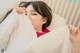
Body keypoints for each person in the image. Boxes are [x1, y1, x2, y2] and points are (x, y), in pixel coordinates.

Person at [1, 1, 80, 53]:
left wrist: (76, 42)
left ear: (44, 20)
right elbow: (3, 38)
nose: (27, 17)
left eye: (33, 14)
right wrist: (14, 16)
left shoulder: (50, 35)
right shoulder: (18, 30)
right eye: (25, 14)